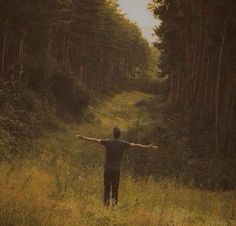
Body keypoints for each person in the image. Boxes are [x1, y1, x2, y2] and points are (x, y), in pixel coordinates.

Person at [76, 127, 158, 207]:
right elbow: (135, 145)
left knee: (107, 188)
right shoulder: (123, 144)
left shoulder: (108, 142)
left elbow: (95, 140)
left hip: (107, 169)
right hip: (116, 170)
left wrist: (82, 138)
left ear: (113, 135)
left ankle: (106, 205)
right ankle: (114, 205)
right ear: (120, 135)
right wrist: (146, 147)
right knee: (115, 189)